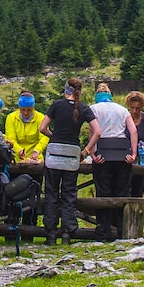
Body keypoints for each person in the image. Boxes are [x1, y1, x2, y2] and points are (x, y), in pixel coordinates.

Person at [39, 77, 100, 244]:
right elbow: (97, 132)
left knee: (51, 192)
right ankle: (67, 232)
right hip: (73, 153)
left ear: (66, 89)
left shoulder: (56, 105)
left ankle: (50, 234)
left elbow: (42, 128)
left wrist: (55, 137)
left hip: (54, 153)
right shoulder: (84, 108)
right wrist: (86, 150)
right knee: (69, 193)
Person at [86, 83, 137, 241]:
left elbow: (93, 131)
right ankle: (122, 231)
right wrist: (133, 153)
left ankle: (104, 231)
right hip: (122, 153)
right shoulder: (122, 109)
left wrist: (93, 153)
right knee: (122, 192)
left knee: (103, 192)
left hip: (103, 152)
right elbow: (133, 130)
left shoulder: (93, 109)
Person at [4, 92, 47, 226]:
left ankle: (30, 227)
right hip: (17, 160)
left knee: (33, 195)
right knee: (13, 195)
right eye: (23, 110)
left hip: (35, 161)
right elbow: (10, 138)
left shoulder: (41, 118)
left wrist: (37, 150)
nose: (26, 113)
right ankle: (12, 227)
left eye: (29, 110)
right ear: (19, 108)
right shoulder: (11, 118)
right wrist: (18, 150)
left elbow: (44, 137)